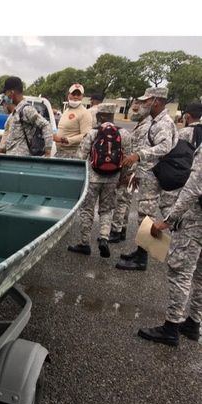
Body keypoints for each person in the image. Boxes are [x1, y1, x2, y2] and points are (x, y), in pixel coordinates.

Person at [137, 152, 202, 346]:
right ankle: (193, 322)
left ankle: (171, 327)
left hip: (196, 223)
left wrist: (167, 221)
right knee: (200, 275)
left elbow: (192, 189)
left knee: (180, 273)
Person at [117, 87, 178, 271]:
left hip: (154, 177)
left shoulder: (164, 123)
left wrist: (139, 155)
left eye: (146, 101)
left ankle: (141, 259)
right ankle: (140, 252)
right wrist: (137, 171)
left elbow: (165, 147)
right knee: (144, 215)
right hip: (147, 175)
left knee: (147, 217)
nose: (143, 104)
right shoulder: (153, 121)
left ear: (157, 101)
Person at [67, 103, 132, 258]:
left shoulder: (92, 133)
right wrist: (123, 177)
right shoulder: (124, 134)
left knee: (87, 209)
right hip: (113, 178)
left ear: (100, 116)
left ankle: (84, 243)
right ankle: (104, 238)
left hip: (93, 178)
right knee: (107, 209)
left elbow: (81, 157)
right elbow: (128, 159)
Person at [108, 98, 148, 243]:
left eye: (136, 108)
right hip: (131, 169)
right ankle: (121, 229)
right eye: (133, 107)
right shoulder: (141, 125)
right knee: (124, 200)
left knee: (121, 200)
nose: (133, 110)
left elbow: (141, 152)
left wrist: (131, 173)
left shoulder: (146, 126)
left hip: (133, 170)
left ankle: (116, 231)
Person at [1, 76, 53, 157]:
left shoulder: (26, 109)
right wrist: (1, 150)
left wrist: (48, 151)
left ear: (12, 92)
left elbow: (46, 125)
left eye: (6, 93)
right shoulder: (16, 111)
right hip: (12, 158)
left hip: (21, 160)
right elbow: (14, 139)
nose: (5, 95)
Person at [53, 83, 92, 158]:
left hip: (72, 154)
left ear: (82, 96)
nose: (75, 97)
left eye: (78, 94)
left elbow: (86, 135)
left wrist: (65, 140)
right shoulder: (67, 110)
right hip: (60, 152)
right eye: (73, 94)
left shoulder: (85, 113)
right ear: (68, 95)